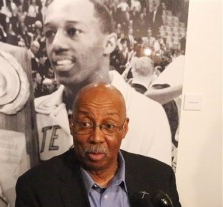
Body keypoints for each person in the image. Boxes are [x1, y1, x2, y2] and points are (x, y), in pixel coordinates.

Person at [14, 82, 223, 207]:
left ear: (124, 128)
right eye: (85, 124)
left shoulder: (158, 176)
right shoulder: (37, 187)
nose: (96, 137)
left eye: (109, 126)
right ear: (72, 124)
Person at [35, 0, 172, 165]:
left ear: (109, 43)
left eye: (73, 31)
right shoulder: (35, 114)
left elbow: (154, 188)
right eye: (49, 33)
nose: (56, 44)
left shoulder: (148, 115)